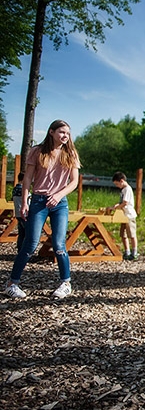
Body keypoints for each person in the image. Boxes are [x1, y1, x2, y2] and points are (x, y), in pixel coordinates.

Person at [5, 119, 81, 299]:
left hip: (59, 203)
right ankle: (12, 283)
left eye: (68, 133)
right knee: (30, 243)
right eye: (62, 132)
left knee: (59, 244)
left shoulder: (70, 154)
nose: (65, 136)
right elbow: (27, 180)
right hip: (38, 201)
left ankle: (65, 283)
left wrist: (59, 195)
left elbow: (74, 182)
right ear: (51, 132)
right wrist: (24, 203)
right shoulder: (37, 152)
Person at [111, 172, 138, 260]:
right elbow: (122, 202)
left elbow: (125, 202)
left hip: (129, 215)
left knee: (132, 234)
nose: (117, 186)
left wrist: (117, 207)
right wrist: (117, 205)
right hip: (123, 215)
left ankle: (134, 252)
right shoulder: (123, 190)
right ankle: (127, 251)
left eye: (117, 184)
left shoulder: (127, 189)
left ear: (122, 181)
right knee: (123, 234)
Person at [12, 172, 28, 252]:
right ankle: (25, 250)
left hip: (18, 213)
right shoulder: (23, 190)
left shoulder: (15, 189)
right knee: (27, 232)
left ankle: (19, 248)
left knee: (21, 232)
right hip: (24, 213)